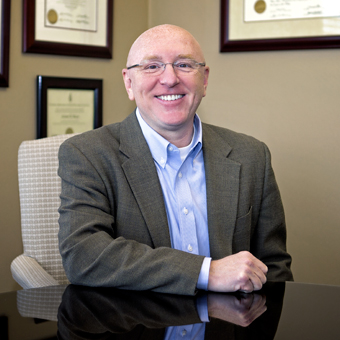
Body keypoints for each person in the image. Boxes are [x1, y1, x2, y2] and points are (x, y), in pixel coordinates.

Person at [58, 24, 293, 296]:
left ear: (204, 80)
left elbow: (274, 269)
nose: (169, 79)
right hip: (134, 327)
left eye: (184, 65)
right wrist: (207, 272)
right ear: (128, 82)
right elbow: (83, 256)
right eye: (151, 66)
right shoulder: (87, 154)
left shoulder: (252, 155)